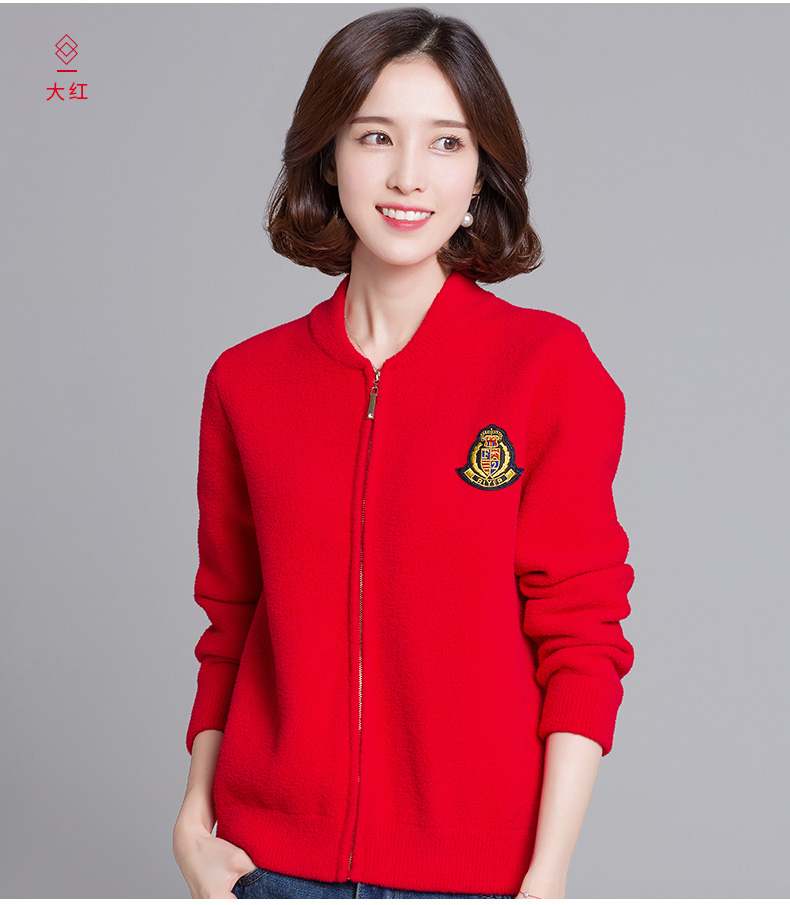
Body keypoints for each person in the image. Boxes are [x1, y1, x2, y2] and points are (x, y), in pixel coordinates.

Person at [172, 7, 635, 900]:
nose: (408, 176)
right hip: (268, 868)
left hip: (476, 879)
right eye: (375, 135)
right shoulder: (247, 381)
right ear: (328, 156)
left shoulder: (545, 367)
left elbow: (582, 637)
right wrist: (194, 819)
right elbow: (231, 620)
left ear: (481, 171)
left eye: (447, 142)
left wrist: (546, 876)